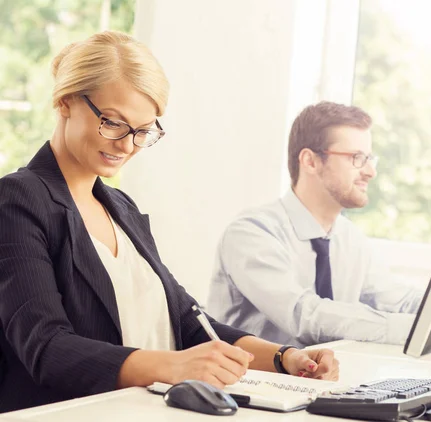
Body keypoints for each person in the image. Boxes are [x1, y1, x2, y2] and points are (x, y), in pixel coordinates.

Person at [0, 31, 338, 413]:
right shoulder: (17, 200)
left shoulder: (120, 208)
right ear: (65, 102)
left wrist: (286, 358)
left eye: (142, 132)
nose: (127, 145)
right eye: (113, 123)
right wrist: (173, 365)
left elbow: (188, 322)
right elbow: (45, 346)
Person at [207, 102, 423, 348]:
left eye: (370, 158)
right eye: (357, 158)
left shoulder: (350, 239)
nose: (371, 171)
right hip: (252, 382)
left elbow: (400, 301)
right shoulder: (252, 233)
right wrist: (414, 329)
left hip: (328, 380)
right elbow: (305, 316)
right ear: (310, 161)